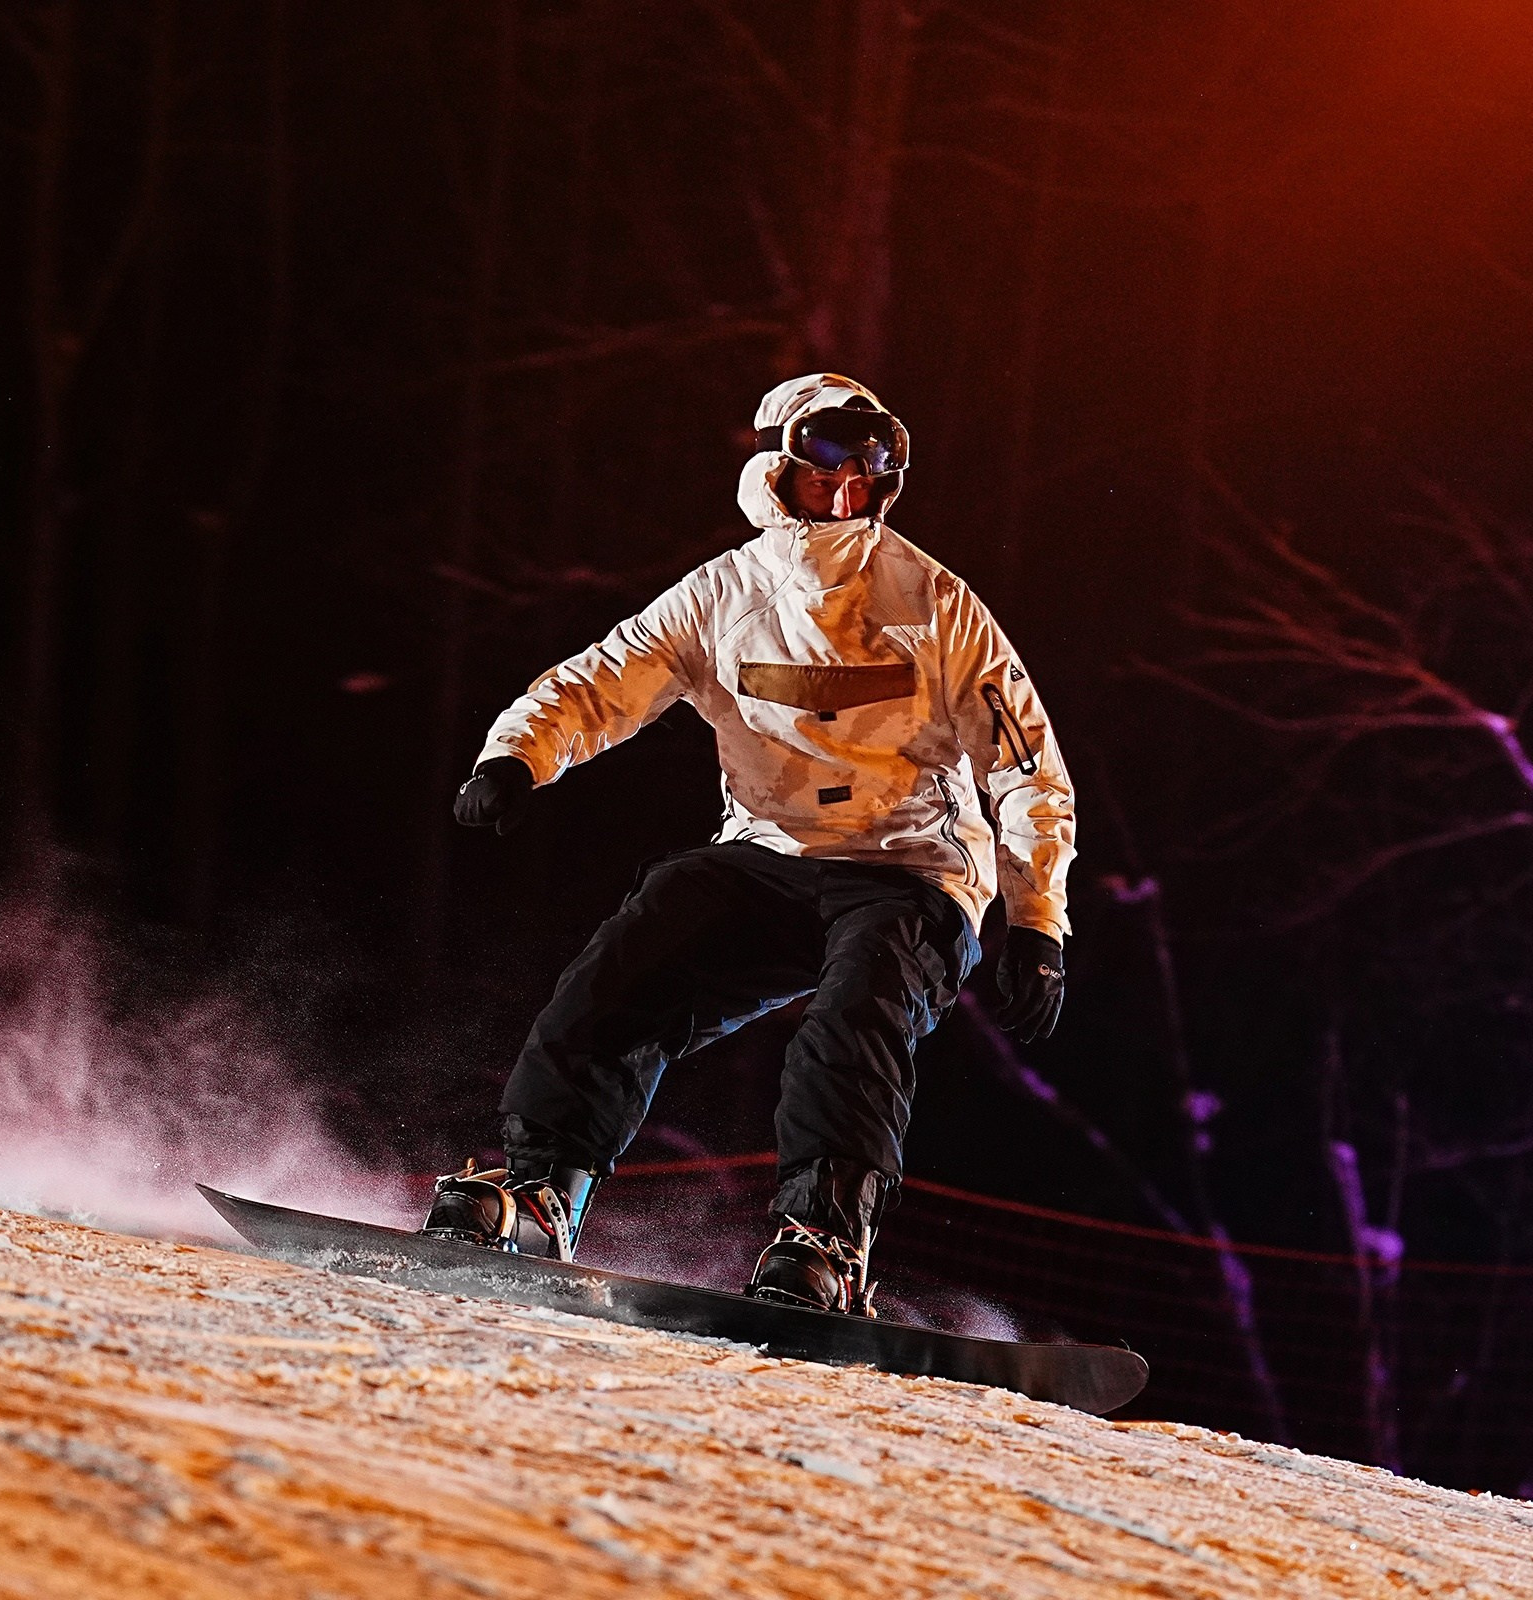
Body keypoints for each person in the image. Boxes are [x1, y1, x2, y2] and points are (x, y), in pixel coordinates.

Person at [423, 373, 1075, 1315]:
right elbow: (603, 681)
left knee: (856, 1017)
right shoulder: (723, 594)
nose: (848, 486)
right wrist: (516, 757)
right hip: (772, 854)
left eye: (872, 467)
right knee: (631, 963)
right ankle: (541, 1188)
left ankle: (825, 1244)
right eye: (825, 462)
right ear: (776, 468)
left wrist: (1038, 920)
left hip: (913, 868)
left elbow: (1025, 766)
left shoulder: (937, 605)